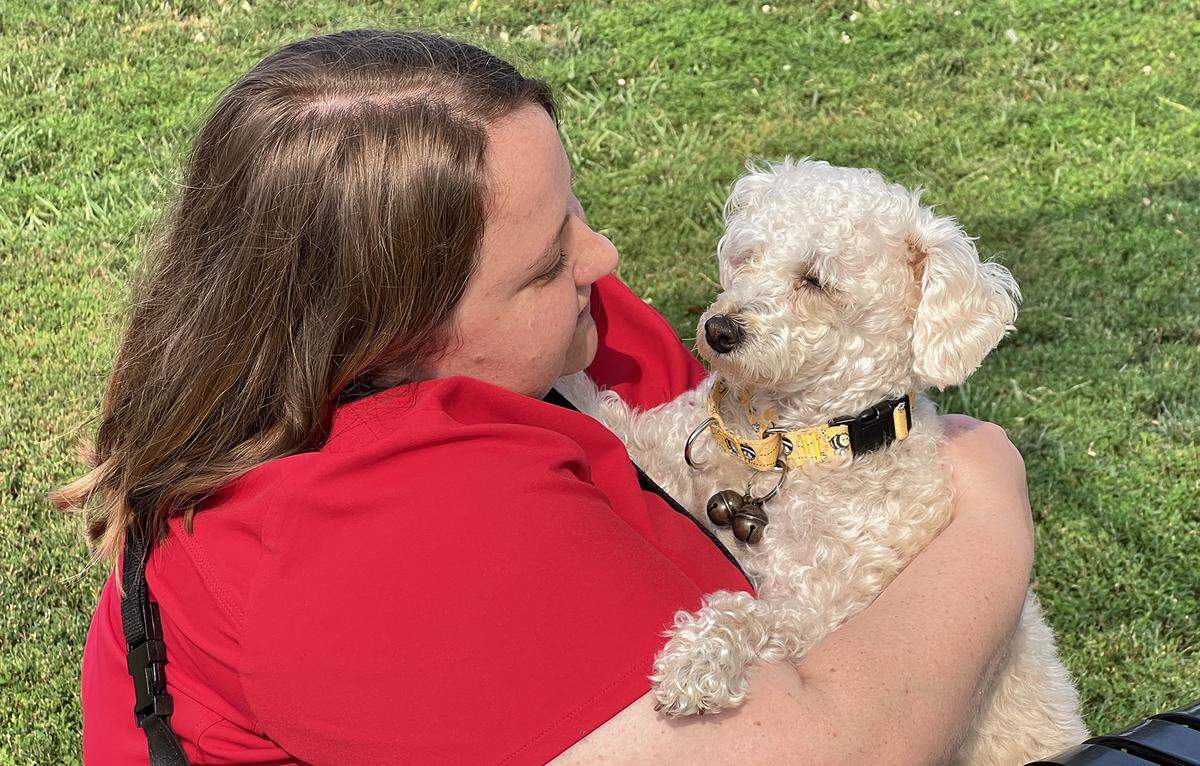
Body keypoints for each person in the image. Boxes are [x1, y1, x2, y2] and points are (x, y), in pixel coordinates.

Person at [55, 29, 1037, 765]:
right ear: (394, 332)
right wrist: (988, 499)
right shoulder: (365, 537)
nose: (604, 261)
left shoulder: (552, 343)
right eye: (544, 263)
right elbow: (840, 747)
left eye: (576, 213)